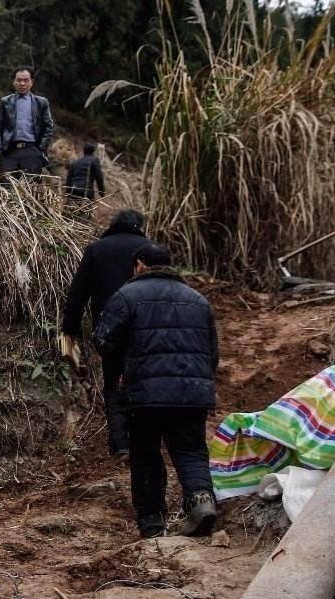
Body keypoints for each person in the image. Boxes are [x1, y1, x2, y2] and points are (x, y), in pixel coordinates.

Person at [94, 242, 219, 539]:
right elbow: (212, 354)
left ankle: (151, 523)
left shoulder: (126, 296)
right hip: (192, 392)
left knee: (145, 454)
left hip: (144, 394)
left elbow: (103, 340)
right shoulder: (198, 301)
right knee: (191, 451)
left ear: (139, 264)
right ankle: (201, 501)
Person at [60, 209, 152, 458]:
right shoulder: (150, 249)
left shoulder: (96, 249)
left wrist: (68, 333)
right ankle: (145, 439)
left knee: (113, 383)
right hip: (146, 328)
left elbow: (77, 295)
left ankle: (121, 444)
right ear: (139, 225)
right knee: (144, 380)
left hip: (110, 329)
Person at [0, 66, 55, 181]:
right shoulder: (6, 102)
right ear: (14, 82)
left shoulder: (41, 102)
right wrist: (0, 147)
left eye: (26, 80)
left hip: (32, 150)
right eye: (19, 80)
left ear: (31, 82)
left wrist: (40, 148)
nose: (22, 84)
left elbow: (48, 127)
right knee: (7, 188)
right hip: (9, 151)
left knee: (31, 189)